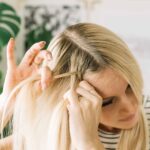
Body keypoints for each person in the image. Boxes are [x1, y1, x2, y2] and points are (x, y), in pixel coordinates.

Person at [0, 23, 150, 150]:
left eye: (130, 87)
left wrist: (88, 143)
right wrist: (7, 101)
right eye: (107, 102)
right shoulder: (53, 129)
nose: (130, 107)